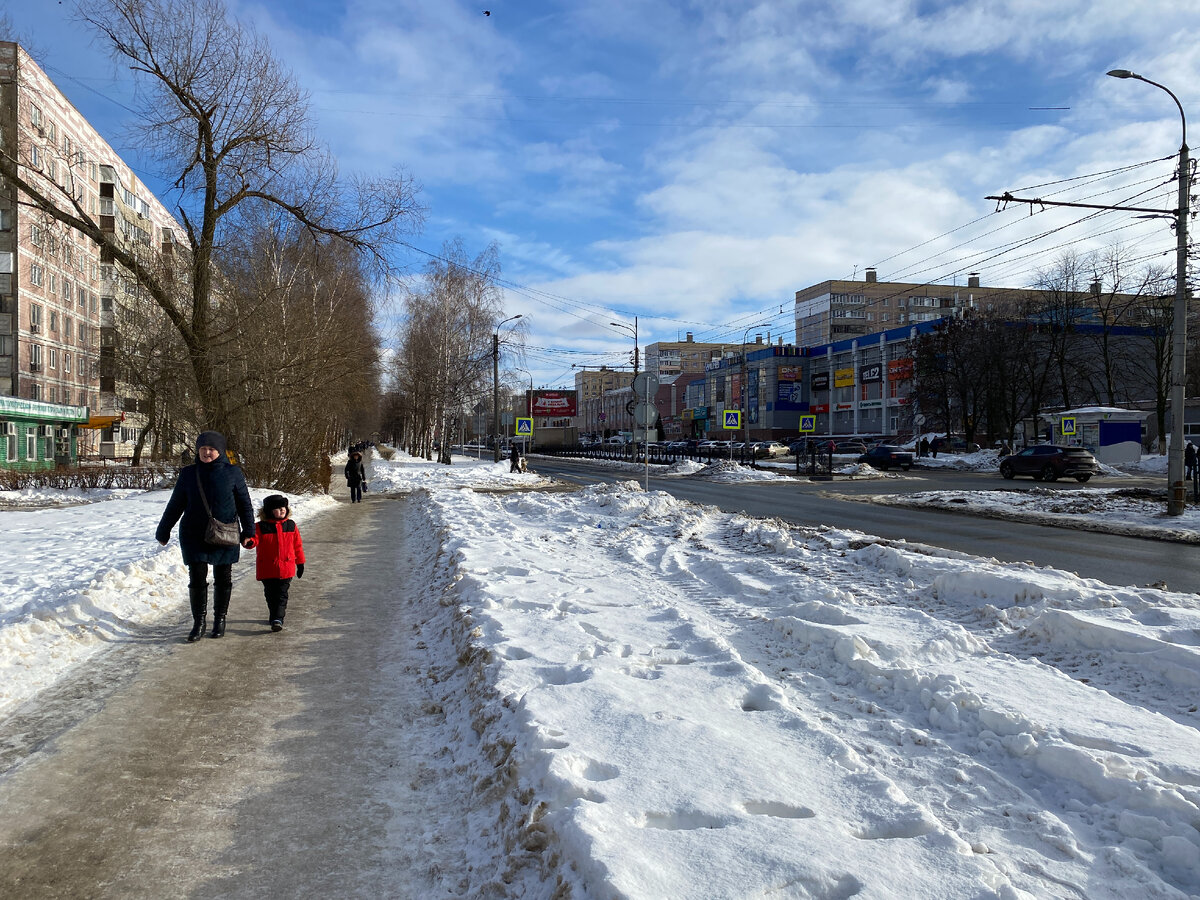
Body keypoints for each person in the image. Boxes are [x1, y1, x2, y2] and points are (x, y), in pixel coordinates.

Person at [156, 431, 255, 642]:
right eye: (203, 449)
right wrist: (163, 530)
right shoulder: (189, 474)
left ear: (220, 451)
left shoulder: (233, 473)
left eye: (211, 449)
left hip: (225, 532)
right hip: (194, 533)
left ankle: (220, 619)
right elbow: (176, 504)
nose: (207, 453)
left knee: (223, 577)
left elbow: (244, 504)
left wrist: (249, 532)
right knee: (197, 578)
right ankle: (198, 622)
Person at [246, 494, 306, 632]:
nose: (282, 510)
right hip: (267, 568)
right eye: (278, 508)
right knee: (270, 594)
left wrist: (300, 562)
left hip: (286, 567)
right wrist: (249, 542)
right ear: (269, 511)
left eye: (283, 507)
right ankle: (274, 615)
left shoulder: (291, 525)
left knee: (282, 594)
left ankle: (278, 618)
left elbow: (297, 545)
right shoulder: (261, 527)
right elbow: (253, 540)